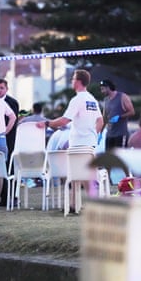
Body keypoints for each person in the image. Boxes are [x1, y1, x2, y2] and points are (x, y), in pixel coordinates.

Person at [36, 69, 104, 213]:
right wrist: (93, 134)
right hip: (89, 143)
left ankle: (93, 204)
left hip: (79, 143)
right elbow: (100, 120)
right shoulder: (92, 99)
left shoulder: (77, 99)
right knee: (77, 174)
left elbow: (64, 120)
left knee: (80, 175)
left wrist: (47, 123)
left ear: (78, 81)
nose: (72, 81)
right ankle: (74, 205)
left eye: (73, 78)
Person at [0, 78, 19, 207]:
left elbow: (13, 120)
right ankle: (2, 197)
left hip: (8, 140)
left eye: (1, 88)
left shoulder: (11, 102)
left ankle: (11, 197)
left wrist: (4, 133)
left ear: (6, 89)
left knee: (9, 169)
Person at [100, 79, 135, 150]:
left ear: (108, 87)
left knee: (120, 157)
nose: (102, 91)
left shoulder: (122, 97)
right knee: (109, 157)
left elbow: (132, 112)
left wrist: (119, 117)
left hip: (121, 134)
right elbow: (104, 117)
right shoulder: (106, 100)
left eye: (103, 89)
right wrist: (100, 132)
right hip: (109, 135)